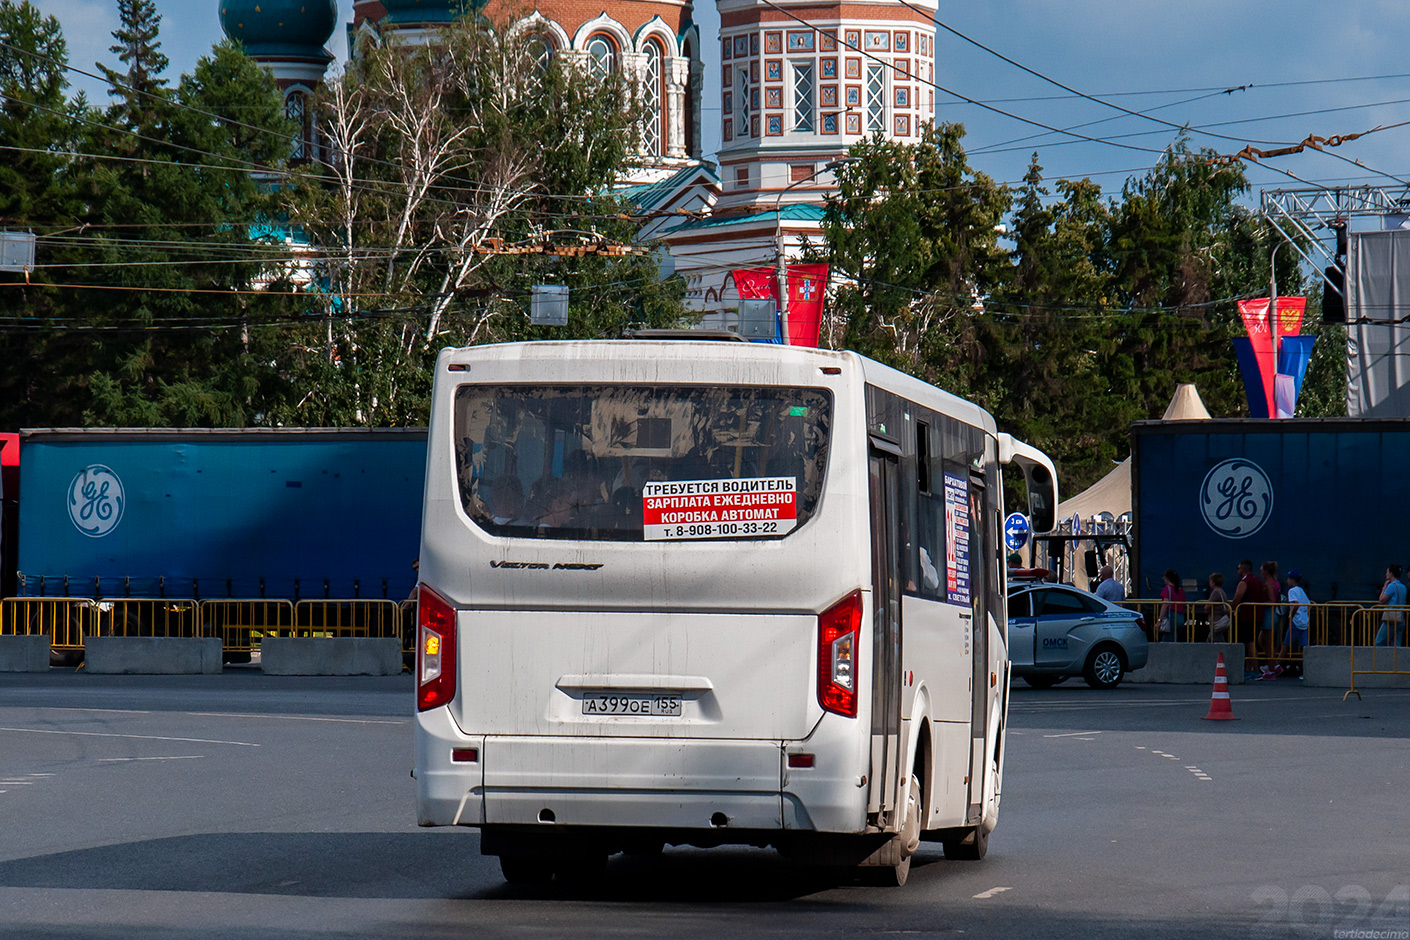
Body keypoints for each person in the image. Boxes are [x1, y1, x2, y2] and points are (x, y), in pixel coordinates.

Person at [1232, 560, 1268, 681]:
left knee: (1250, 642)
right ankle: (1249, 669)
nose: (1237, 571)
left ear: (1243, 569)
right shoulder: (1258, 581)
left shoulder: (1244, 582)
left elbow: (1238, 597)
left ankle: (1256, 670)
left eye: (1238, 568)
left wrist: (1232, 608)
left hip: (1247, 616)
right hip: (1258, 615)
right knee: (1250, 642)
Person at [1275, 569, 1311, 677]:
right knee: (1305, 646)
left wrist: (1291, 615)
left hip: (1296, 622)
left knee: (1285, 644)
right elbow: (1309, 605)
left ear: (1292, 580)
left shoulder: (1292, 591)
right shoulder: (1301, 590)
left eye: (1288, 578)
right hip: (1304, 622)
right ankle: (1307, 670)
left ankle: (1276, 666)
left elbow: (1295, 604)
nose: (1287, 580)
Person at [1256, 561, 1283, 679]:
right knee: (1262, 640)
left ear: (1266, 571)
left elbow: (1272, 600)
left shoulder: (1269, 584)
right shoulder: (1276, 583)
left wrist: (1260, 603)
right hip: (1272, 614)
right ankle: (1274, 665)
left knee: (1267, 642)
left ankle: (1271, 670)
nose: (1260, 572)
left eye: (1262, 570)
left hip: (1269, 614)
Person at [1375, 564, 1407, 647]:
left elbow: (1381, 600)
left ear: (1391, 573)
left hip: (1391, 619)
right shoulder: (1403, 587)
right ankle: (1396, 660)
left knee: (1379, 642)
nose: (1386, 574)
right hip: (1401, 618)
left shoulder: (1391, 586)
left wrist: (1384, 588)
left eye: (1387, 572)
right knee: (1396, 645)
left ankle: (1382, 659)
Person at [1157, 569, 1187, 642]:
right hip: (1181, 618)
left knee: (1168, 640)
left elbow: (1165, 605)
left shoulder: (1167, 589)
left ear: (1167, 578)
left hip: (1171, 617)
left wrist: (1159, 620)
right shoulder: (1180, 590)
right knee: (1175, 639)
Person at [1207, 572, 1231, 642]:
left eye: (1210, 581)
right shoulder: (1222, 592)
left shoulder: (1215, 592)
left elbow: (1208, 605)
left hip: (1215, 619)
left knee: (1213, 638)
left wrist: (1206, 608)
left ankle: (1222, 652)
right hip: (1220, 618)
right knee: (1216, 638)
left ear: (1213, 583)